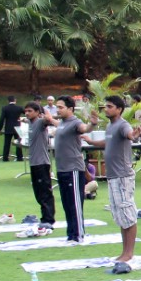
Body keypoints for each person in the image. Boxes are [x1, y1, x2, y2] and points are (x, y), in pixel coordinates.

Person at [83, 96, 141, 265]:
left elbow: (129, 135)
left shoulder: (123, 125)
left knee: (127, 213)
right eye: (105, 106)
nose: (106, 109)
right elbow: (107, 142)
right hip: (113, 176)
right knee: (120, 215)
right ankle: (124, 252)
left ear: (119, 109)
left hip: (123, 176)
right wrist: (91, 141)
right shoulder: (110, 126)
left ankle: (129, 253)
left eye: (109, 106)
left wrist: (134, 135)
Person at [45, 96, 95, 243]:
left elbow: (84, 128)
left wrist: (92, 124)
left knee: (75, 203)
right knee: (67, 203)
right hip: (62, 169)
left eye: (61, 107)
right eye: (57, 107)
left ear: (70, 109)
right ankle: (71, 234)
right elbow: (56, 123)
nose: (58, 109)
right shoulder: (62, 123)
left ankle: (79, 234)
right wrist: (49, 118)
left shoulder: (75, 123)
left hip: (73, 169)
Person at [19, 101, 55, 228]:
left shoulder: (40, 123)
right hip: (34, 163)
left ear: (37, 112)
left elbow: (47, 121)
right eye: (26, 111)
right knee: (38, 193)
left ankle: (48, 219)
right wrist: (23, 119)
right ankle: (44, 217)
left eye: (30, 111)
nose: (27, 113)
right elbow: (24, 119)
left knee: (45, 193)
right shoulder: (30, 123)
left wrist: (47, 116)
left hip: (42, 163)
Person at [0, 95, 25, 163]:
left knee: (7, 143)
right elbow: (26, 114)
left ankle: (5, 158)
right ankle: (19, 157)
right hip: (17, 127)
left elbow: (2, 119)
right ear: (15, 100)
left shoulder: (5, 108)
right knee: (18, 142)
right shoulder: (19, 108)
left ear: (8, 101)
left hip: (8, 127)